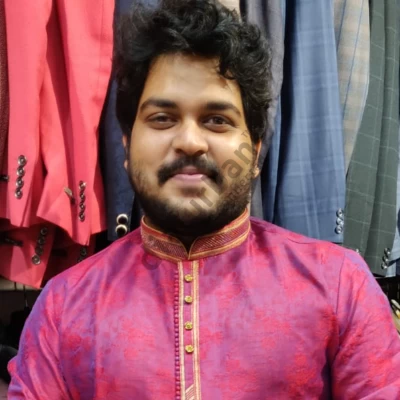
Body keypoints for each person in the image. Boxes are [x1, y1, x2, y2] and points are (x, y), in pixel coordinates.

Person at [7, 0, 400, 398]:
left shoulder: (339, 286)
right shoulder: (64, 306)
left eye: (217, 120)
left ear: (255, 151)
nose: (190, 142)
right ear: (126, 145)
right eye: (162, 119)